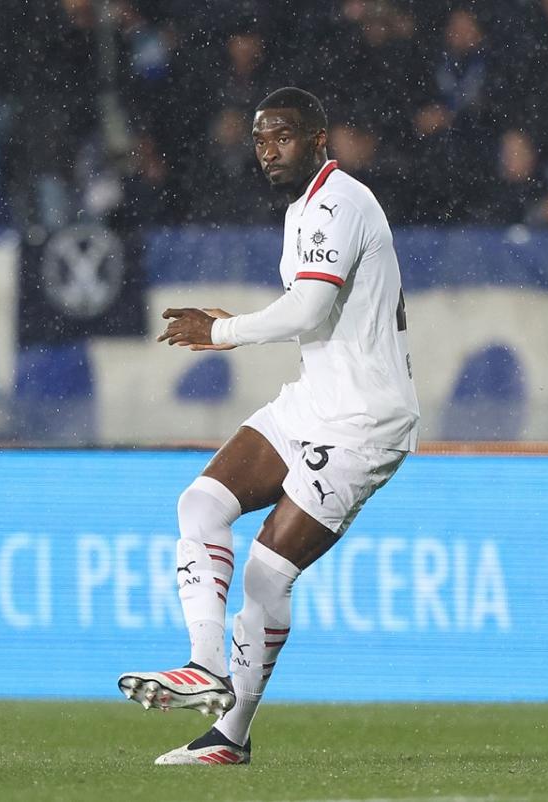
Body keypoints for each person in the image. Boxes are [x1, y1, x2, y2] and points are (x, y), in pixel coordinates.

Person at [118, 87, 419, 765]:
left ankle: (230, 734)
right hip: (315, 399)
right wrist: (238, 324)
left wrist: (222, 332)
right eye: (260, 139)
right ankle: (204, 666)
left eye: (283, 137)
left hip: (364, 421)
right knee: (200, 504)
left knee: (265, 576)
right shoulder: (302, 209)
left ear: (318, 140)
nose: (268, 151)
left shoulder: (341, 202)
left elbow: (308, 310)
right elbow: (315, 314)